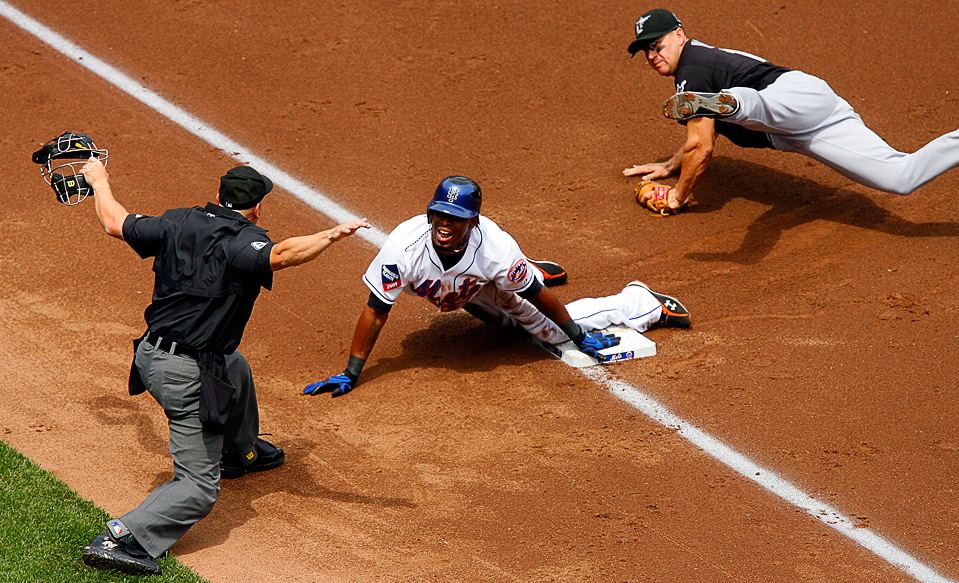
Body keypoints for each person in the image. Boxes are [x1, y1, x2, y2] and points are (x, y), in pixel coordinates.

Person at [76, 158, 369, 576]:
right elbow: (283, 254)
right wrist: (331, 234)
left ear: (217, 196)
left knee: (234, 365)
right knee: (198, 487)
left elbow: (114, 222)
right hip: (183, 375)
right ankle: (122, 537)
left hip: (153, 354)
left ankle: (239, 452)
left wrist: (99, 180)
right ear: (257, 208)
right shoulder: (241, 244)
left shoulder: (176, 221)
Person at [303, 176, 690, 398]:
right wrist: (351, 371)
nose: (444, 223)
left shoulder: (493, 248)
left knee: (543, 329)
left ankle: (639, 301)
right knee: (500, 324)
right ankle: (523, 271)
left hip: (486, 277)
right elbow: (376, 310)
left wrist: (575, 335)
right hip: (465, 287)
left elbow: (538, 297)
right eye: (439, 214)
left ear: (472, 222)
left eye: (456, 218)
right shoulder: (404, 248)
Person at [623, 8, 959, 215]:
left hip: (788, 99)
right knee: (901, 177)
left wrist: (677, 196)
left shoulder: (692, 73)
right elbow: (701, 133)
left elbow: (703, 146)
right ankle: (733, 104)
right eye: (645, 52)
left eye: (657, 46)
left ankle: (734, 103)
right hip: (808, 124)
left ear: (679, 35)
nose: (652, 56)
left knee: (754, 108)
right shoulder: (700, 64)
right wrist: (672, 163)